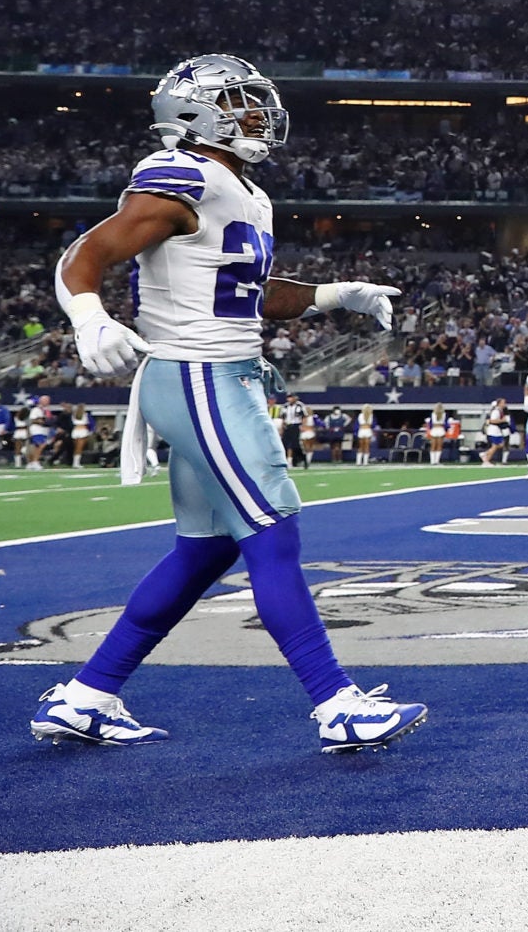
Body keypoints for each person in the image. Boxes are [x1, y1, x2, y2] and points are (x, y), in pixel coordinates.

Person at [31, 54, 424, 752]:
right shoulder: (182, 174)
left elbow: (257, 291)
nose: (258, 115)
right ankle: (336, 704)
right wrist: (90, 317)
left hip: (219, 373)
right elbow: (82, 256)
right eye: (241, 102)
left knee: (206, 552)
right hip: (199, 374)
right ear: (197, 111)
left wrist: (342, 294)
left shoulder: (242, 191)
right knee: (274, 530)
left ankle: (86, 695)